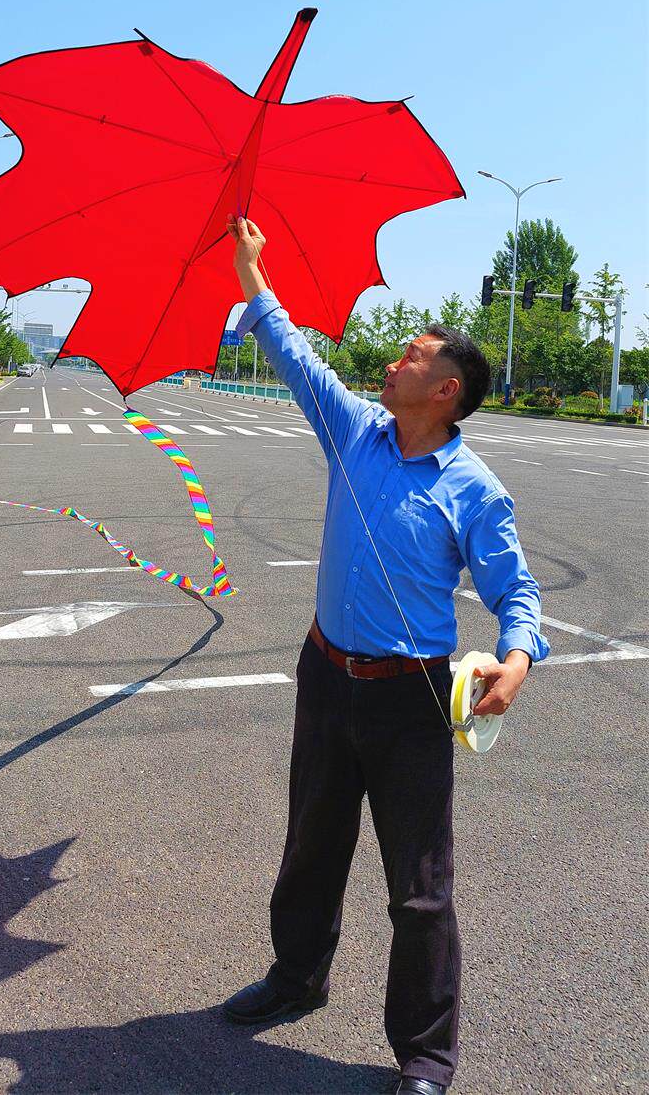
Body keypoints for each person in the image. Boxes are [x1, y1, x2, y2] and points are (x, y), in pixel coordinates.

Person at [221, 215, 549, 1095]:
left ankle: (427, 1056)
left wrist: (517, 660)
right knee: (311, 844)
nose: (396, 361)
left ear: (445, 390)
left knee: (419, 886)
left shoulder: (475, 489)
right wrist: (253, 273)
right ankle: (297, 977)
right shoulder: (355, 431)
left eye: (413, 356)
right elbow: (295, 356)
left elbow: (516, 590)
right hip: (327, 676)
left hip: (412, 700)